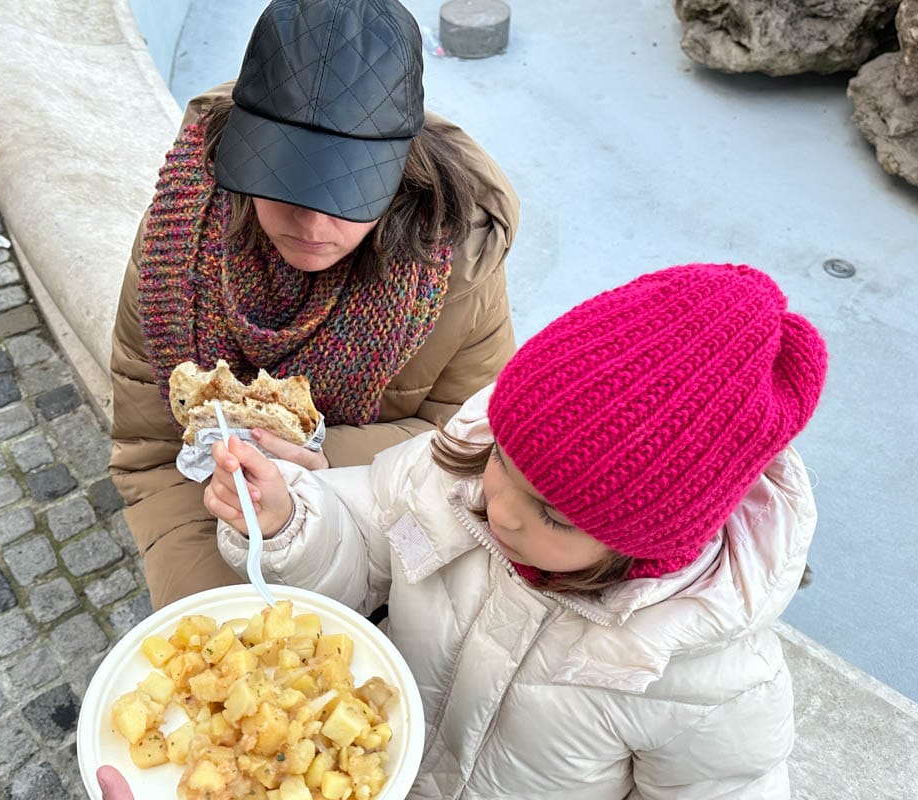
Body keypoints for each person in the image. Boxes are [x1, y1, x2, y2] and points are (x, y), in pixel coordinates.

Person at [206, 263, 829, 799]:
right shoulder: (451, 477)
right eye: (505, 457)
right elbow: (364, 537)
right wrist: (288, 522)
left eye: (554, 514)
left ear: (648, 541)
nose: (500, 507)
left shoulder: (712, 689)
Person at [109, 0, 519, 610]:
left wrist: (328, 460)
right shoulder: (177, 234)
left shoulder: (460, 264)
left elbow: (469, 441)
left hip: (377, 540)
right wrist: (215, 609)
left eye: (351, 188)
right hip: (208, 517)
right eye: (281, 180)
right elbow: (150, 452)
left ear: (403, 170)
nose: (313, 221)